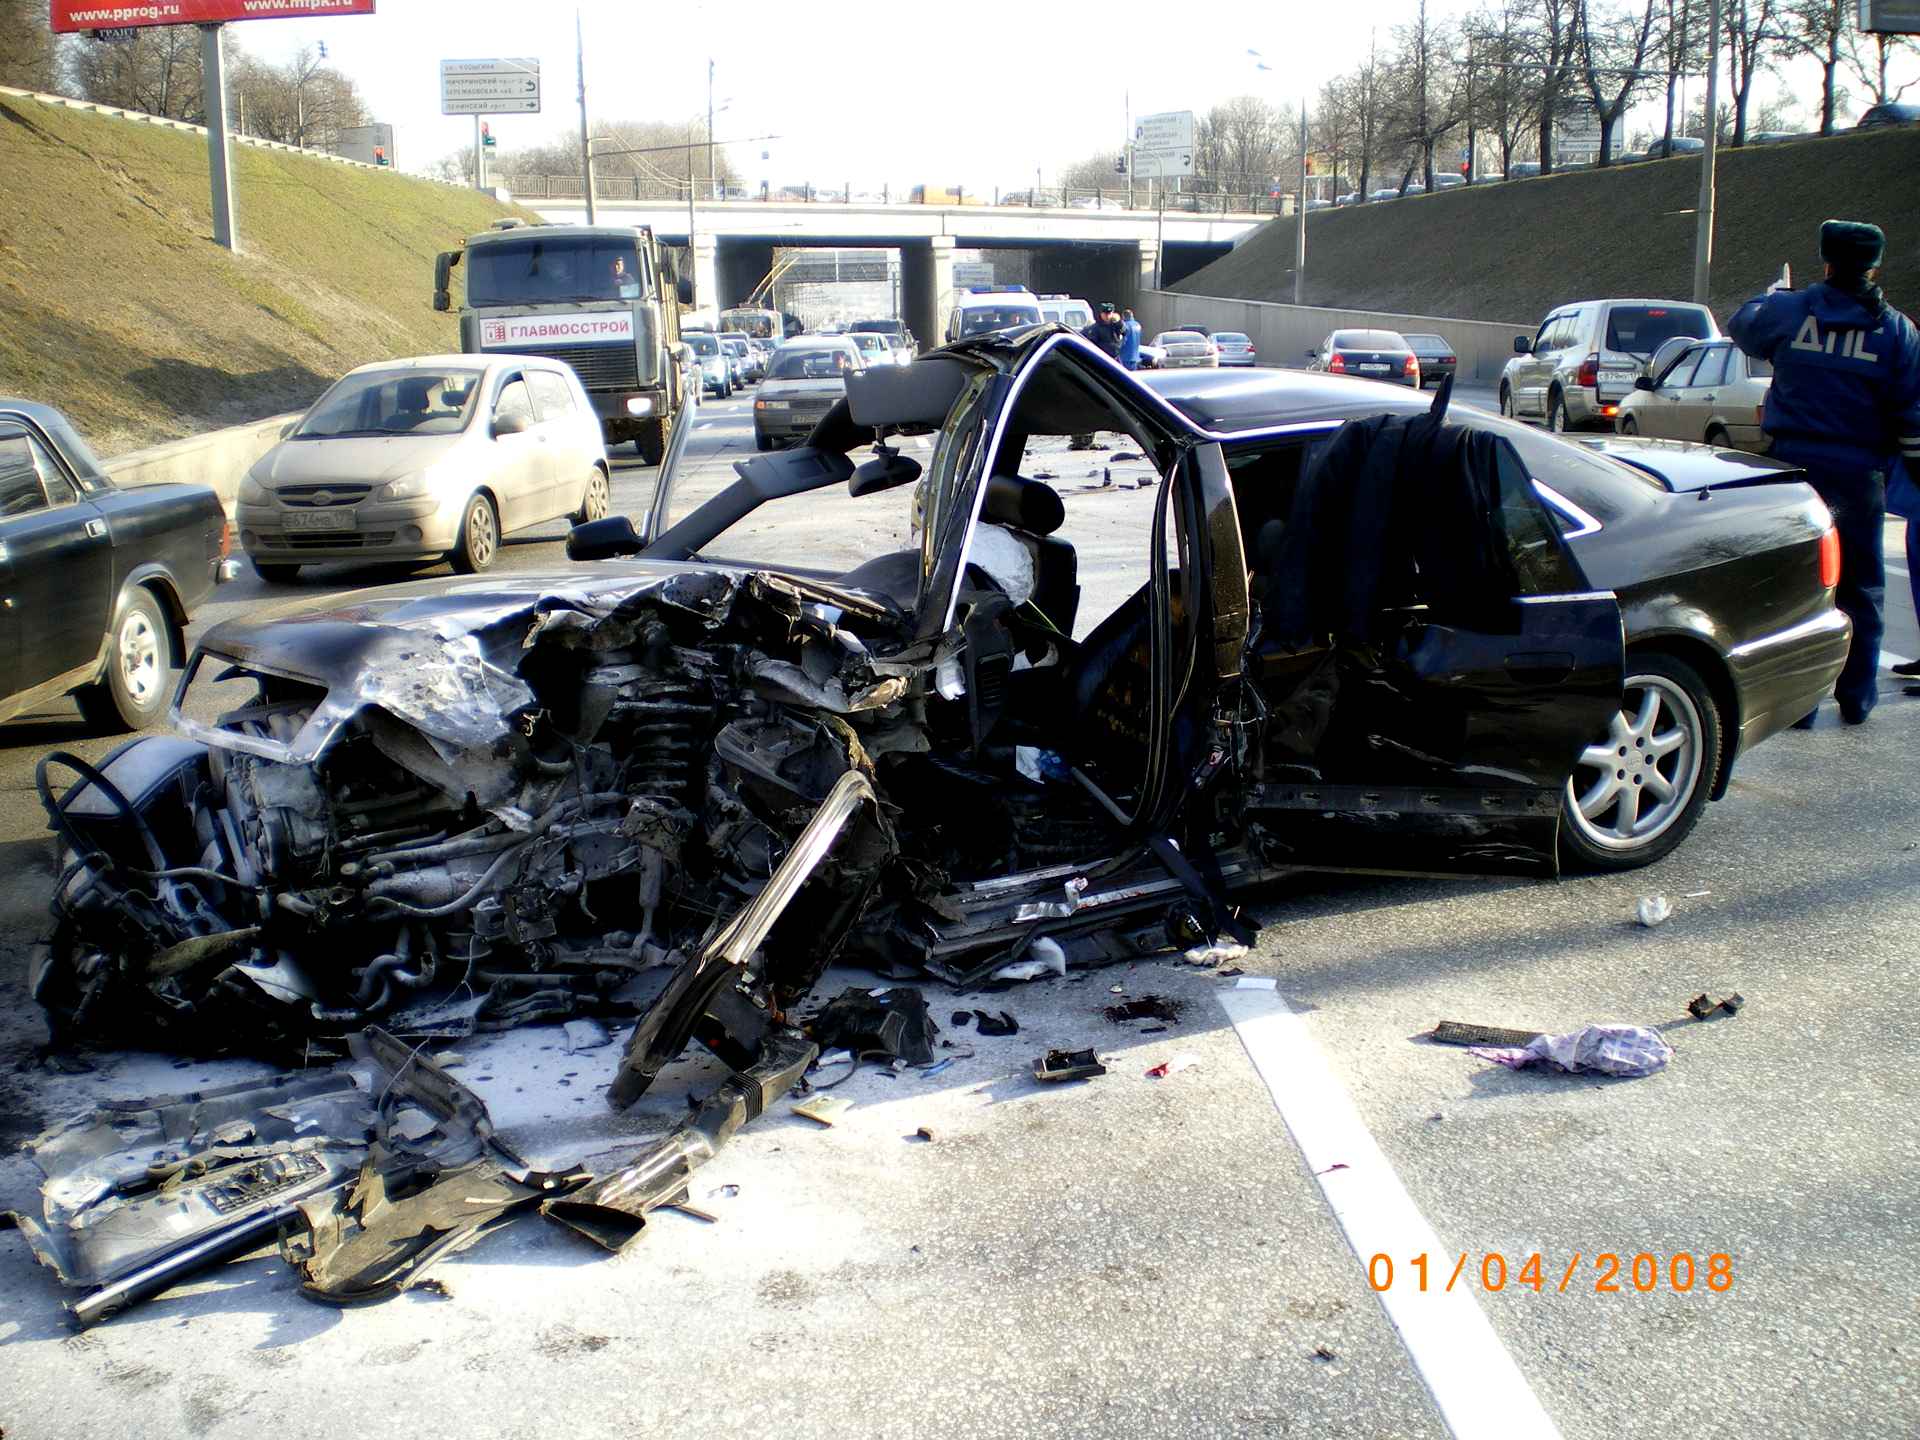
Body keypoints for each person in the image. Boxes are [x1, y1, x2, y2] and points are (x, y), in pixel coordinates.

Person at [1729, 219, 1920, 724]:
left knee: (1795, 584)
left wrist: (1770, 295)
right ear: (1874, 266)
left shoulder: (1791, 311)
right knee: (1861, 586)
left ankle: (1800, 704)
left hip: (1794, 471)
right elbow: (1911, 413)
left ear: (1826, 260)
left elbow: (1742, 326)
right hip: (1859, 477)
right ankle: (1857, 698)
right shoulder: (1896, 330)